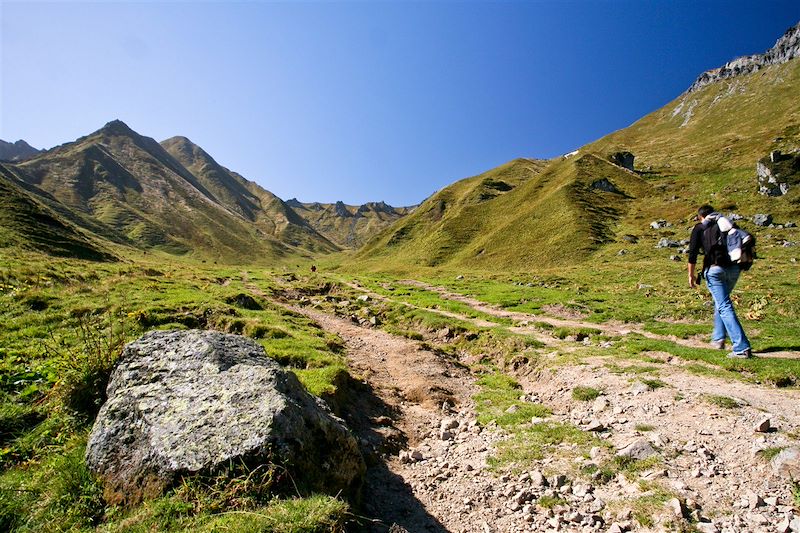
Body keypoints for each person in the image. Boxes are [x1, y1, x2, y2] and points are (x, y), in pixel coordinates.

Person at [687, 204, 752, 358]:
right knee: (721, 302)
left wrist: (690, 275)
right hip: (734, 270)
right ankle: (718, 339)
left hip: (714, 270)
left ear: (701, 217)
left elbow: (693, 254)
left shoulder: (700, 228)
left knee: (724, 305)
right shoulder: (727, 224)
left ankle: (741, 347)